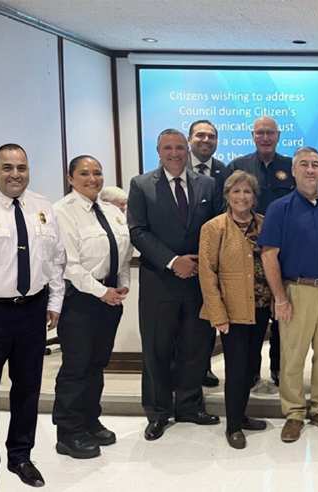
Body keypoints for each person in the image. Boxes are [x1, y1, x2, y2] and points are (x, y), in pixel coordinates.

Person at [0, 144, 66, 491]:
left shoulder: (42, 206)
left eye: (21, 167)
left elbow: (55, 260)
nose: (15, 174)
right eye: (7, 167)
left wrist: (55, 302)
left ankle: (20, 456)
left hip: (33, 311)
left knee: (27, 389)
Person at [127, 129, 224, 442]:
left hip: (197, 281)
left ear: (188, 150)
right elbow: (138, 231)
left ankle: (189, 407)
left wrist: (199, 263)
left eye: (180, 147)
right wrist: (172, 261)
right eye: (167, 147)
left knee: (196, 348)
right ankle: (158, 413)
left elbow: (216, 228)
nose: (174, 153)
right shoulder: (141, 185)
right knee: (157, 350)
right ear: (158, 151)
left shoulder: (207, 184)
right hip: (159, 281)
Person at [259, 146, 318, 443]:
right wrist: (280, 298)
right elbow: (269, 255)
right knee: (293, 356)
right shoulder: (279, 208)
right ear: (293, 171)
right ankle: (294, 413)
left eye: (315, 165)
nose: (310, 170)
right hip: (295, 290)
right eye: (304, 165)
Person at [52, 156, 133, 459]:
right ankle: (68, 432)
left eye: (97, 173)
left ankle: (89, 421)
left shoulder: (111, 211)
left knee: (97, 363)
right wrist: (102, 292)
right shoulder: (62, 212)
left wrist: (122, 282)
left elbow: (123, 253)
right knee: (76, 366)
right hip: (80, 300)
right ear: (70, 178)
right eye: (84, 173)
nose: (92, 178)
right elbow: (70, 265)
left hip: (109, 298)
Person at [199, 171, 272, 450]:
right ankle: (233, 427)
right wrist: (217, 314)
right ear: (227, 196)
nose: (242, 197)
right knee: (236, 367)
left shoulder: (264, 223)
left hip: (261, 307)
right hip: (232, 310)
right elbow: (207, 273)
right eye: (236, 191)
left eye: (247, 191)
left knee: (251, 365)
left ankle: (241, 415)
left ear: (254, 196)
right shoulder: (214, 227)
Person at [227, 115, 295, 386]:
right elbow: (227, 208)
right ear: (252, 136)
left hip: (284, 251)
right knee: (253, 316)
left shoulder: (290, 166)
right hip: (249, 253)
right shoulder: (238, 165)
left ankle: (278, 368)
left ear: (278, 136)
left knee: (282, 312)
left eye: (270, 133)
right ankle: (252, 371)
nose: (265, 137)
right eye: (260, 133)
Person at [187, 119, 228, 388]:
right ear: (189, 139)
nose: (206, 140)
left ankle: (204, 368)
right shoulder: (175, 166)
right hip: (180, 258)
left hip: (212, 258)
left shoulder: (225, 170)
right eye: (200, 135)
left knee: (207, 318)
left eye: (211, 136)